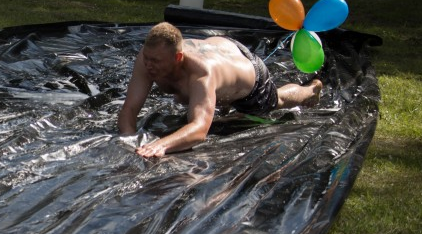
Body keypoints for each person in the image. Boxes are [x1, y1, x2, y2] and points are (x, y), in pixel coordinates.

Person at [118, 22, 323, 158]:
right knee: (187, 94)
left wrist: (161, 145)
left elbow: (199, 130)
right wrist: (131, 140)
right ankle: (222, 101)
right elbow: (129, 109)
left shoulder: (201, 73)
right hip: (221, 48)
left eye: (155, 61)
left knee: (276, 101)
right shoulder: (148, 58)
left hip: (248, 74)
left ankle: (311, 90)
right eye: (147, 58)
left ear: (177, 58)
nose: (149, 65)